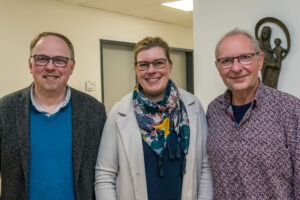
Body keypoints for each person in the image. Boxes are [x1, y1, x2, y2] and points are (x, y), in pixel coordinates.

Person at [95, 37, 213, 200]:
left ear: (169, 66)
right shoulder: (119, 112)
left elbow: (205, 167)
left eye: (159, 63)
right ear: (136, 69)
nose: (151, 70)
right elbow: (104, 175)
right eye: (143, 65)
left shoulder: (193, 107)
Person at [0, 32, 106, 200]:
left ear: (71, 67)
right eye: (42, 59)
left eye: (60, 60)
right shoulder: (5, 110)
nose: (50, 67)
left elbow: (105, 173)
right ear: (30, 65)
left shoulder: (94, 111)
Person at [206, 29, 300, 199]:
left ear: (260, 60)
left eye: (245, 57)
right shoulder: (213, 111)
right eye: (226, 61)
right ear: (218, 67)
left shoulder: (290, 109)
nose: (236, 68)